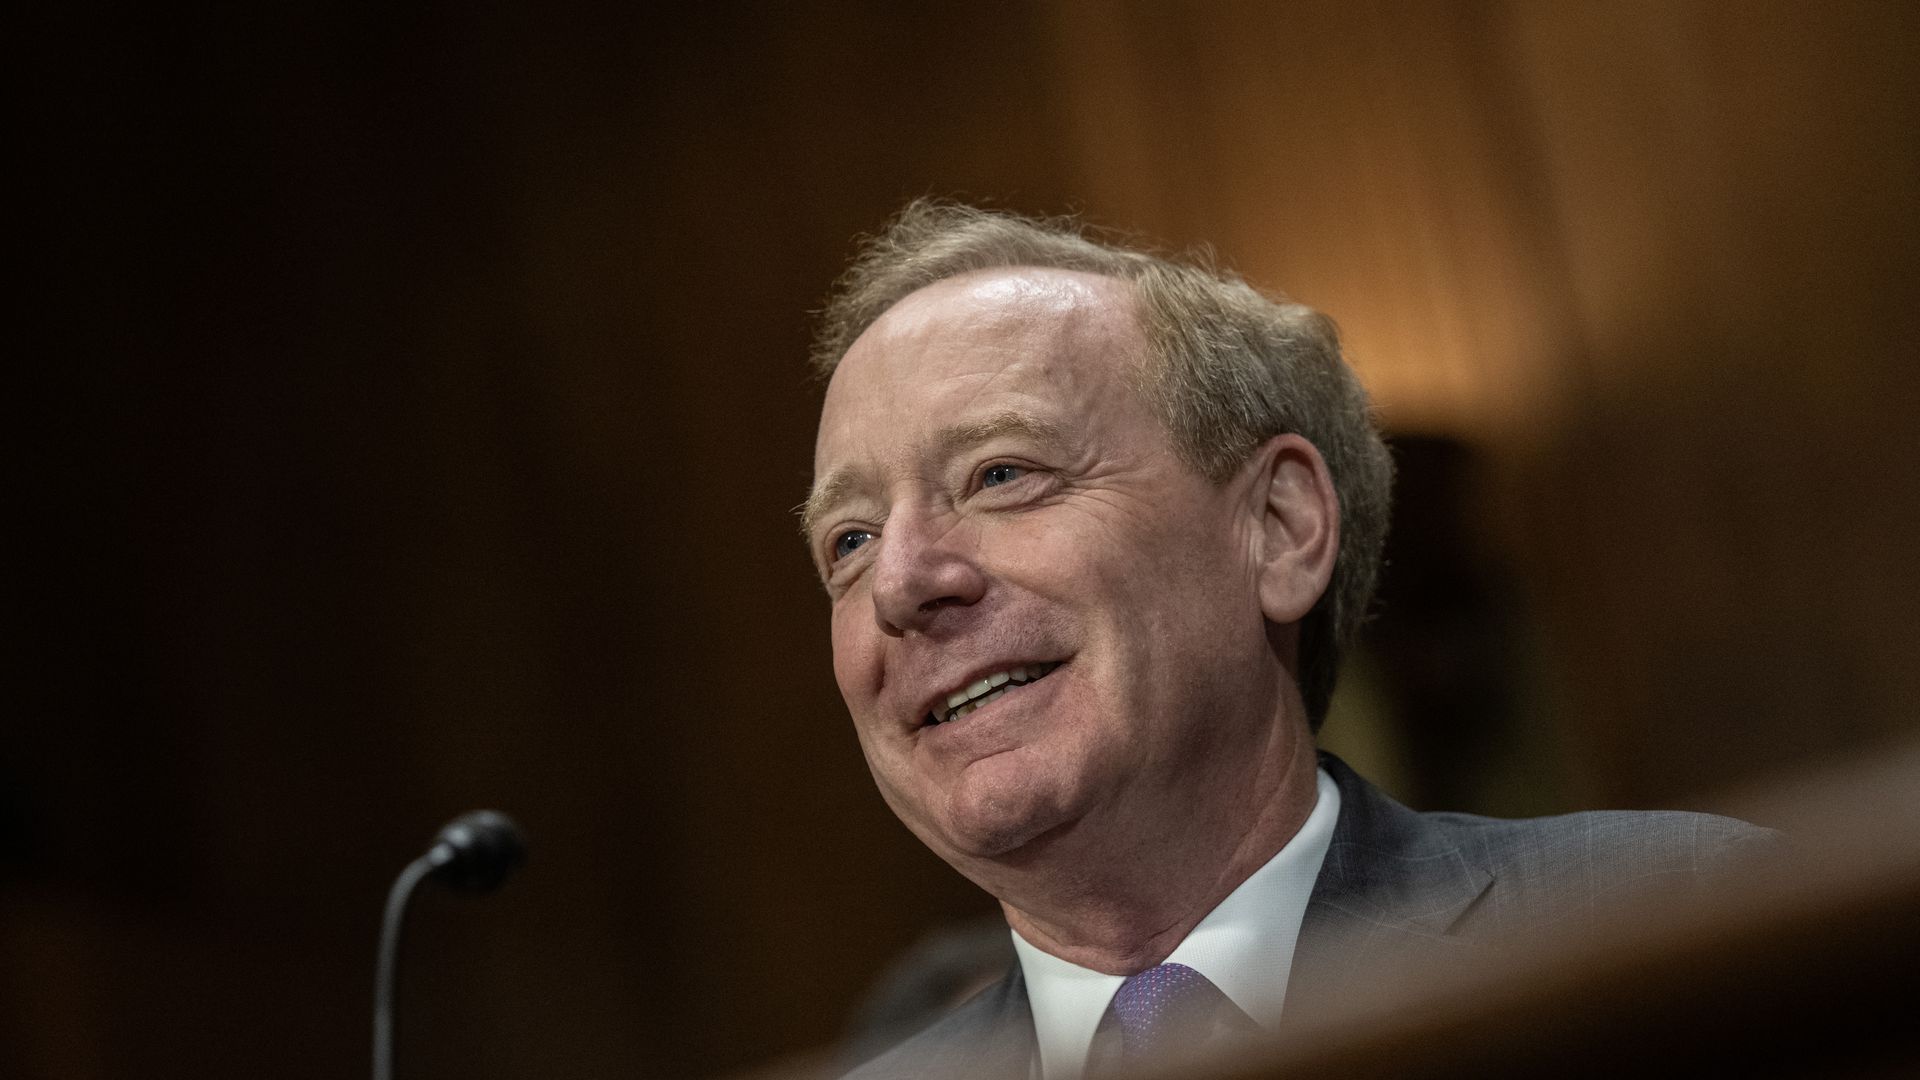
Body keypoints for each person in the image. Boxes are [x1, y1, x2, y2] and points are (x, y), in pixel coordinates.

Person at [800, 201, 1771, 1080]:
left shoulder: (1688, 927)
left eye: (1000, 475)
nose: (902, 582)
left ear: (1280, 527)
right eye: (850, 540)